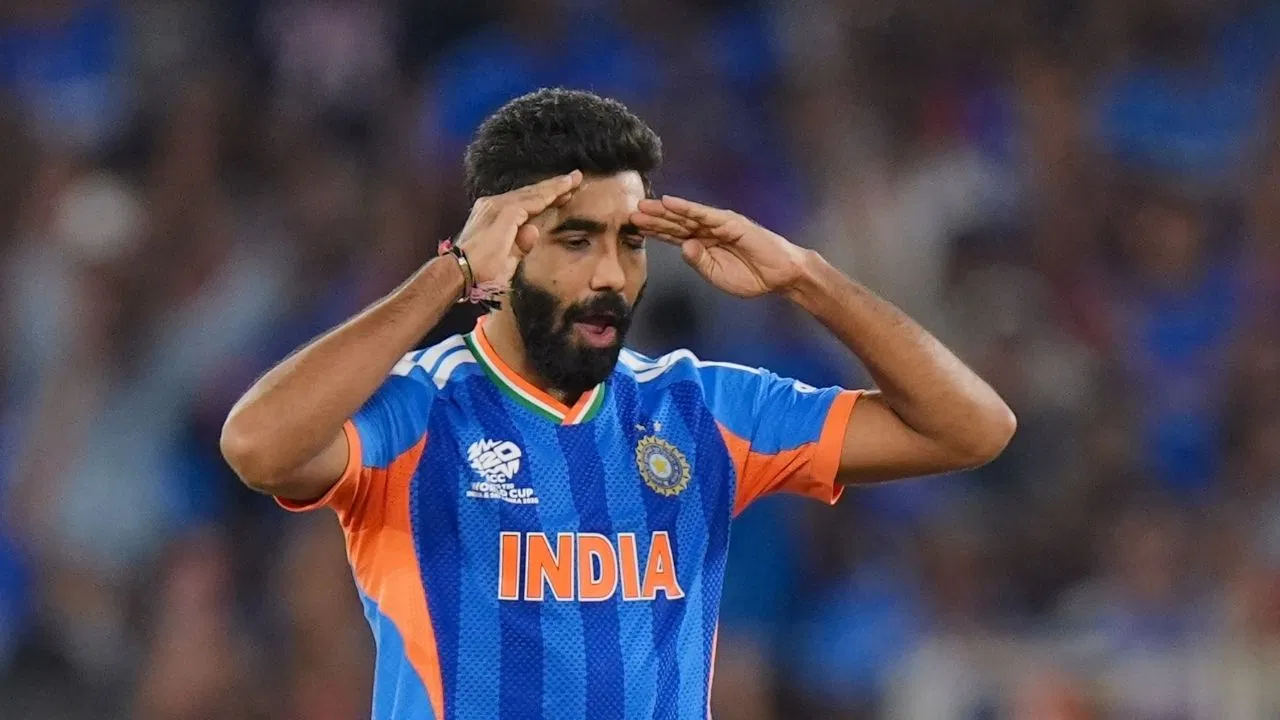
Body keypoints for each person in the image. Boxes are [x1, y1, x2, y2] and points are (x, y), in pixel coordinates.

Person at [220, 88, 1016, 720]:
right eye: (577, 241)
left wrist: (807, 278)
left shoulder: (700, 409)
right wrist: (449, 275)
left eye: (630, 243)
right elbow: (258, 446)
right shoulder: (420, 411)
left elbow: (973, 429)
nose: (612, 274)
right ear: (503, 242)